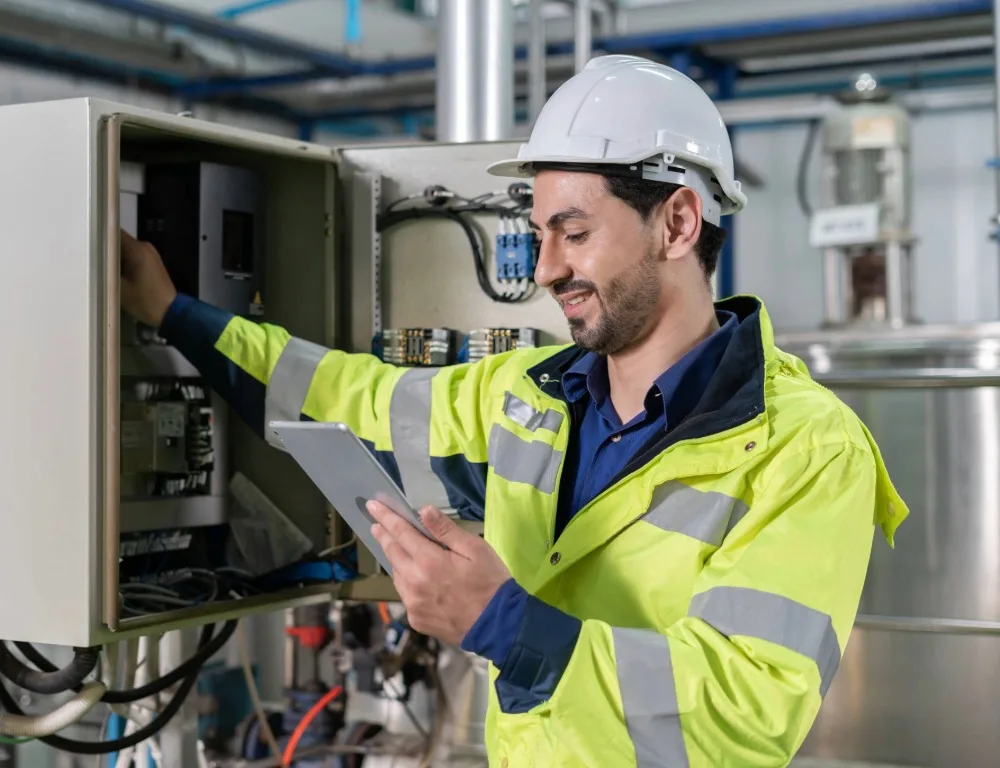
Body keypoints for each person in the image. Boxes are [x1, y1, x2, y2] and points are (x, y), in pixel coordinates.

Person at [120, 55, 908, 767]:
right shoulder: (529, 395)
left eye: (573, 232)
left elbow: (746, 715)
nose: (544, 269)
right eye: (537, 234)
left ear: (677, 222)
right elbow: (342, 402)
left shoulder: (806, 449)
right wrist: (174, 313)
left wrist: (507, 626)